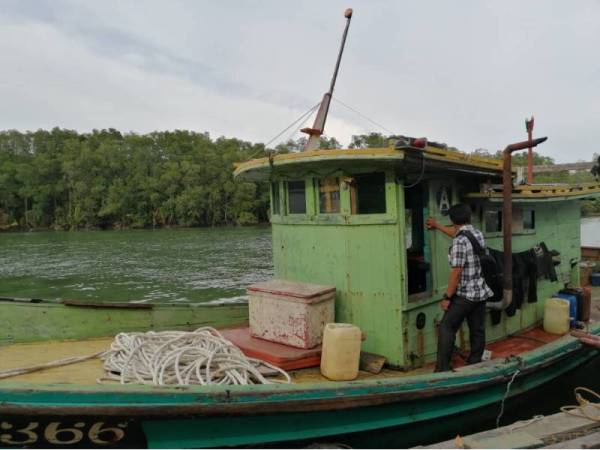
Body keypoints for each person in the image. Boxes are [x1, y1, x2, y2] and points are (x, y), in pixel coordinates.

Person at [426, 203, 494, 372]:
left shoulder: (459, 241)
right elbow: (457, 232)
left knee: (446, 327)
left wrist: (447, 298)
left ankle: (442, 368)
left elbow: (456, 272)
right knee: (477, 329)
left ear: (452, 220)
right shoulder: (477, 234)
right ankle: (475, 362)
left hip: (465, 295)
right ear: (469, 217)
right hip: (480, 291)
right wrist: (437, 226)